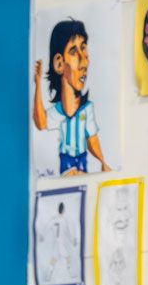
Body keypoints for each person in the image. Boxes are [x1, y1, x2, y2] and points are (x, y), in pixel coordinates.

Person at [34, 17, 109, 174]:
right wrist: (38, 83)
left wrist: (103, 162)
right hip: (65, 161)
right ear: (59, 64)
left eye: (84, 49)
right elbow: (40, 123)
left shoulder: (86, 109)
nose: (84, 62)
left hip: (82, 159)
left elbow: (92, 139)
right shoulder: (58, 112)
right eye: (74, 52)